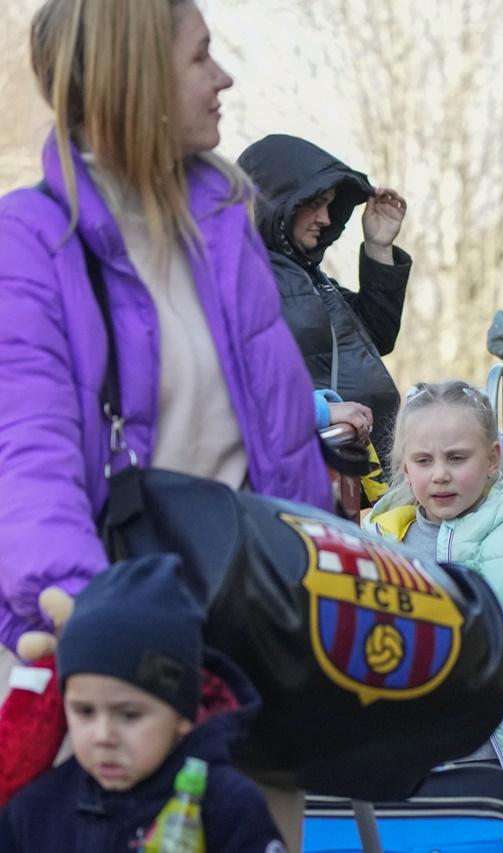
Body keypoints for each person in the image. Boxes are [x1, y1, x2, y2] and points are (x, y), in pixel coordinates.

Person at [0, 2, 332, 844]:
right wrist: (103, 637)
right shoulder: (29, 243)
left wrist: (324, 587)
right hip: (113, 663)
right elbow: (25, 458)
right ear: (137, 79)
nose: (224, 78)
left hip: (250, 656)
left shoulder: (225, 222)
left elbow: (283, 453)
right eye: (201, 58)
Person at [364, 380, 503, 823]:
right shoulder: (383, 542)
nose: (440, 474)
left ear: (492, 460)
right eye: (424, 461)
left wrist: (469, 629)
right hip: (412, 748)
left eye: (457, 458)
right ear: (406, 469)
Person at [0, 554, 284, 850]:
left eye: (130, 715)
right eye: (84, 711)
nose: (103, 736)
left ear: (182, 714)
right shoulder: (35, 811)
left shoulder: (228, 808)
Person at [237, 134, 411, 456]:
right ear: (277, 202)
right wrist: (318, 411)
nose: (327, 219)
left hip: (357, 463)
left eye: (331, 204)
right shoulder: (242, 277)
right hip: (309, 462)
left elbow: (377, 337)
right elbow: (238, 381)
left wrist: (379, 248)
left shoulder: (309, 277)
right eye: (316, 203)